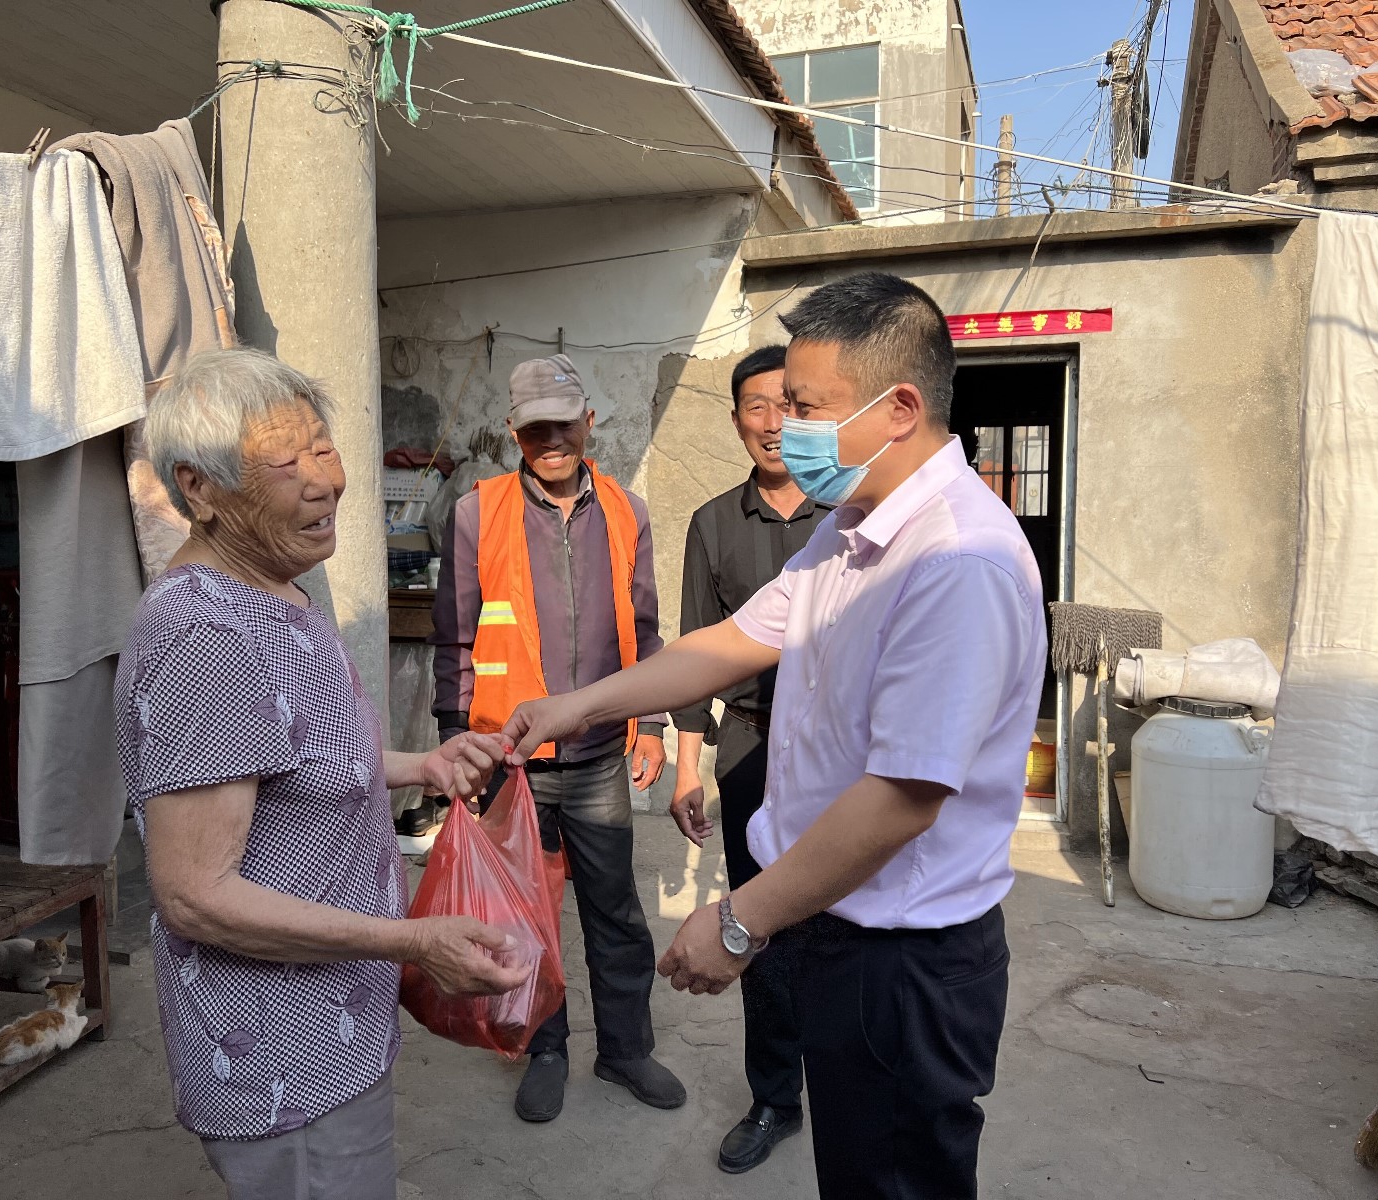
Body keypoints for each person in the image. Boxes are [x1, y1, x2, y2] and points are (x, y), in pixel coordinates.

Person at [501, 273, 1046, 1200]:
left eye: (806, 406)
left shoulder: (958, 560)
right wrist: (575, 707)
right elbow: (728, 641)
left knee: (896, 1178)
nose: (784, 427)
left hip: (903, 960)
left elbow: (900, 799)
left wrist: (741, 920)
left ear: (899, 408)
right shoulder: (851, 526)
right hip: (834, 922)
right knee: (855, 1166)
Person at [114, 347, 528, 1200]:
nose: (326, 481)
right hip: (285, 1053)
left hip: (337, 1016)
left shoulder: (275, 591)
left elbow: (288, 757)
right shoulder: (207, 637)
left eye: (323, 448)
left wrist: (420, 764)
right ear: (199, 488)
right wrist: (414, 942)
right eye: (286, 461)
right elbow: (196, 896)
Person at [429, 354, 684, 1123]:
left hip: (600, 754)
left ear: (588, 422)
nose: (551, 441)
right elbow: (455, 640)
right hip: (510, 760)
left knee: (616, 910)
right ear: (514, 431)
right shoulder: (476, 514)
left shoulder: (628, 511)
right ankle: (545, 1049)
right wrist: (456, 744)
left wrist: (650, 725)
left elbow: (644, 630)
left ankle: (625, 1050)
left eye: (564, 425)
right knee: (526, 917)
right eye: (535, 428)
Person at [669, 344, 833, 1174]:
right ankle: (775, 1098)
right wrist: (686, 766)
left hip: (837, 748)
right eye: (755, 408)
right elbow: (697, 649)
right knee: (757, 921)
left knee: (841, 916)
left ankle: (843, 1080)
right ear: (736, 419)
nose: (772, 424)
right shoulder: (712, 524)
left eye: (786, 406)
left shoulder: (849, 517)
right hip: (749, 744)